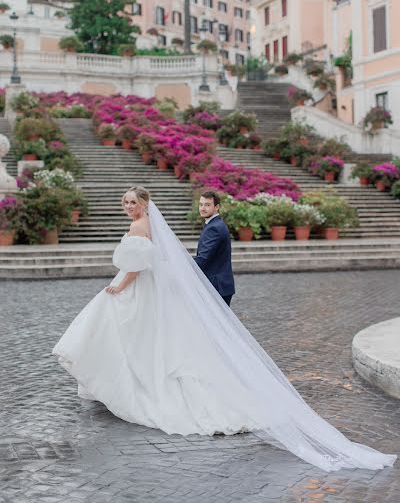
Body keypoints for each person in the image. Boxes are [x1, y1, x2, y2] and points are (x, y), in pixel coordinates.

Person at [53, 186, 396, 472]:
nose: (128, 206)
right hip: (159, 288)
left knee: (132, 333)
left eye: (133, 202)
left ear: (144, 204)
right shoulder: (153, 225)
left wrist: (122, 285)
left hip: (152, 286)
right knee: (151, 337)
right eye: (125, 202)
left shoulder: (146, 227)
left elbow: (139, 266)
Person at [194, 191, 235, 306]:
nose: (202, 208)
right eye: (201, 204)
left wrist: (179, 265)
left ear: (216, 207)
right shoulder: (214, 224)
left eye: (207, 205)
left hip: (216, 286)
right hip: (218, 284)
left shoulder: (214, 228)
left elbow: (202, 259)